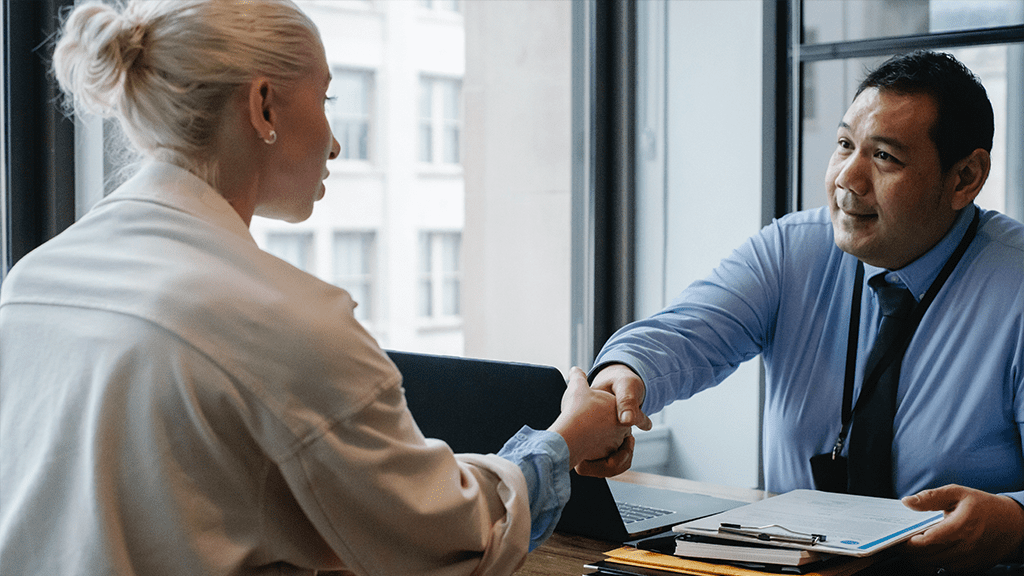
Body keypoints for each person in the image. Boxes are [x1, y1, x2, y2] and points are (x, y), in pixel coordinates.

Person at [0, 1, 630, 575]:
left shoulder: (30, 282)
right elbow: (451, 543)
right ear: (263, 105)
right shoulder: (285, 319)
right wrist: (566, 439)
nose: (335, 141)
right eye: (326, 98)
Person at [583, 50, 1024, 573]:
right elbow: (683, 335)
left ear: (965, 177)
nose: (847, 179)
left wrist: (1016, 522)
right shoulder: (794, 249)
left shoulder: (1015, 285)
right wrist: (622, 377)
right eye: (844, 146)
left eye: (885, 157)